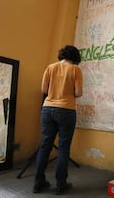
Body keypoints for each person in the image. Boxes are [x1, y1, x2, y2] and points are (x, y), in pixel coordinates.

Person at [33, 45, 83, 195]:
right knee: (63, 147)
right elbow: (78, 92)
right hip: (66, 110)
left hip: (47, 109)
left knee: (45, 146)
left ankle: (38, 183)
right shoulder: (75, 69)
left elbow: (44, 90)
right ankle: (60, 185)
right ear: (75, 57)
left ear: (61, 55)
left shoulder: (50, 67)